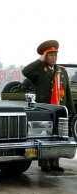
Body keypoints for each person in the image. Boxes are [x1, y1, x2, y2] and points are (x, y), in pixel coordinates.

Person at [22, 40, 76, 172]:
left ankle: (55, 163)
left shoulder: (61, 71)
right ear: (45, 56)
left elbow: (67, 91)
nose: (54, 57)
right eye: (50, 55)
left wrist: (71, 110)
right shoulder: (39, 70)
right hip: (45, 109)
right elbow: (26, 71)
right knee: (46, 135)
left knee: (59, 135)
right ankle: (44, 163)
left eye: (55, 54)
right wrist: (40, 60)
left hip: (59, 108)